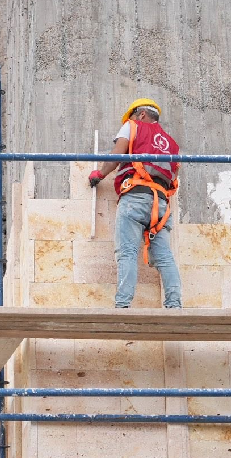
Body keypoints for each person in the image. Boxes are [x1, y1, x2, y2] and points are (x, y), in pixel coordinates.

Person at [88, 98, 182, 309]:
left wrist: (99, 174)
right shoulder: (172, 144)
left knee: (127, 253)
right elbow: (173, 175)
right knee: (164, 257)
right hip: (161, 205)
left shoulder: (132, 126)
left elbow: (116, 156)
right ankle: (174, 306)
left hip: (135, 197)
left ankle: (122, 306)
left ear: (140, 115)